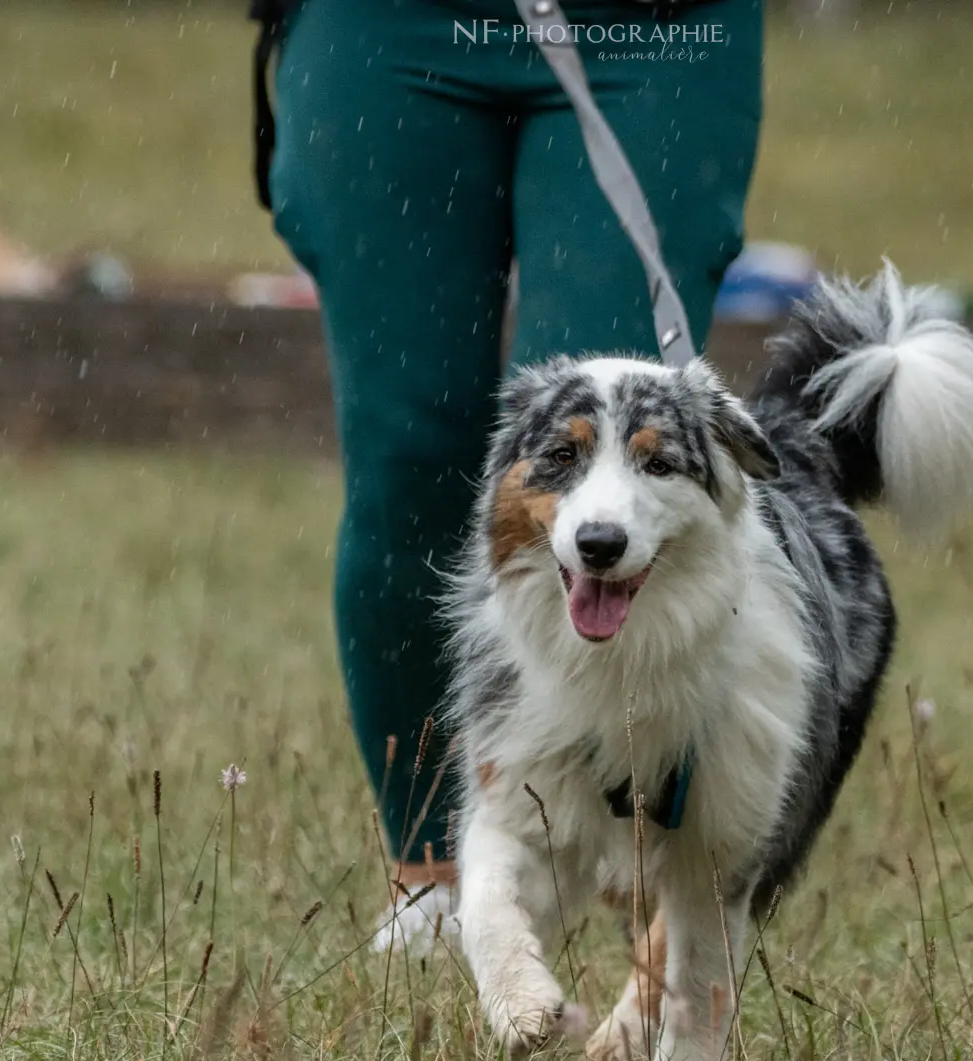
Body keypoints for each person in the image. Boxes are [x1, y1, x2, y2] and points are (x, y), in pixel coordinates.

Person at [260, 0, 764, 948]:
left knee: (610, 448)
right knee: (410, 457)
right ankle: (435, 879)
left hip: (657, 27)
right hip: (386, 28)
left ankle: (648, 869)